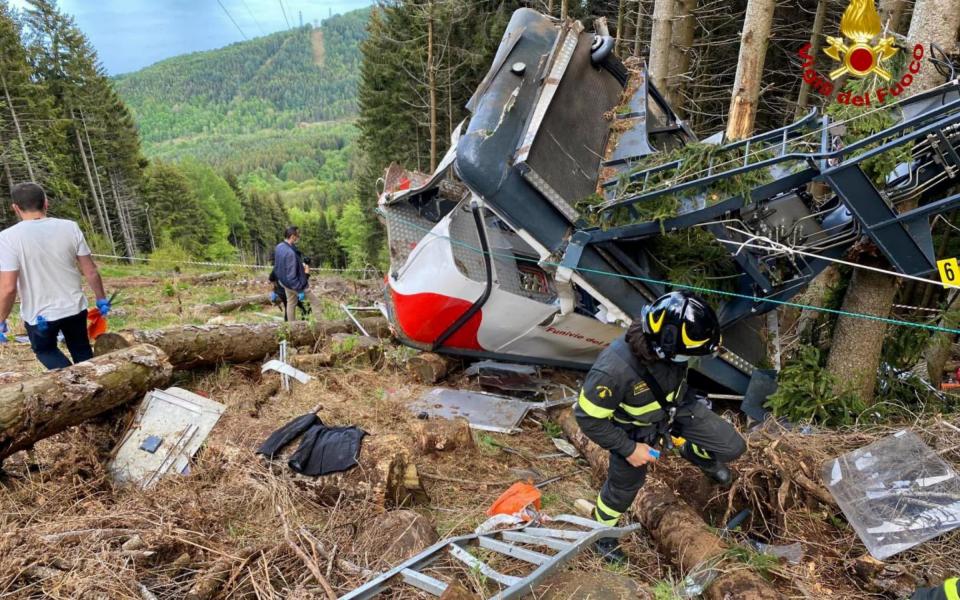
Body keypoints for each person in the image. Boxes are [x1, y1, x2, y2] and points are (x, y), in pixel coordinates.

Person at [574, 291, 746, 563]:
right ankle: (601, 533)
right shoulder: (613, 371)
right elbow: (587, 418)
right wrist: (629, 449)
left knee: (732, 445)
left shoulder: (671, 347)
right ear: (663, 347)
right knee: (622, 490)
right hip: (633, 430)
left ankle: (694, 453)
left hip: (676, 408)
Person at [0, 182, 111, 369]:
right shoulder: (70, 227)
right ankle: (91, 383)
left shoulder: (7, 238)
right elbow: (90, 270)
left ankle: (74, 384)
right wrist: (101, 299)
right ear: (46, 203)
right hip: (74, 307)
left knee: (46, 350)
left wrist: (1, 319)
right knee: (81, 348)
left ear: (15, 208)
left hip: (40, 315)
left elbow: (9, 288)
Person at [273, 226, 319, 322]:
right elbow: (292, 276)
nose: (299, 237)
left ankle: (292, 327)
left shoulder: (279, 246)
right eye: (297, 235)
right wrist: (300, 290)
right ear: (293, 236)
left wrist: (299, 265)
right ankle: (322, 326)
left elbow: (279, 266)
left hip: (284, 283)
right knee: (316, 303)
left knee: (291, 303)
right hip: (294, 285)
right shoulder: (290, 253)